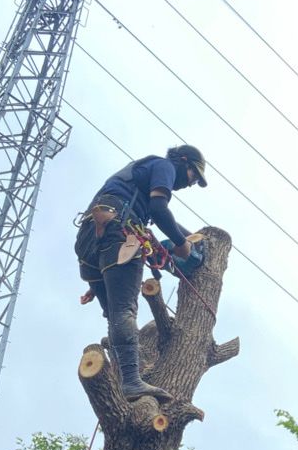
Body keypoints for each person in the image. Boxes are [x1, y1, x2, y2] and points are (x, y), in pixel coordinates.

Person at [75, 145, 208, 403]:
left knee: (115, 315)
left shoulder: (136, 180)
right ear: (184, 162)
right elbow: (160, 210)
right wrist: (182, 245)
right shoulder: (164, 166)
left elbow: (154, 216)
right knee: (124, 311)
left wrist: (185, 236)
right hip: (118, 231)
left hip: (90, 240)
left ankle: (125, 379)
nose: (191, 183)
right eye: (194, 175)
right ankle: (131, 381)